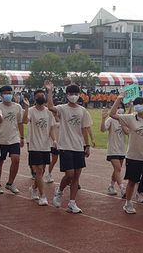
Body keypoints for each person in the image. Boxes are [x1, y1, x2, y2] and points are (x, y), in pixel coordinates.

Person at [110, 94, 143, 218]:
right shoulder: (130, 118)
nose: (139, 106)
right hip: (133, 156)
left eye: (141, 104)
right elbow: (112, 114)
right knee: (132, 181)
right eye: (136, 104)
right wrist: (118, 99)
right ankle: (128, 203)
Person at [45, 81, 90, 213]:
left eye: (76, 94)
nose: (74, 96)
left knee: (76, 175)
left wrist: (87, 145)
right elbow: (51, 108)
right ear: (67, 95)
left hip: (78, 146)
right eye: (71, 94)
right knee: (69, 174)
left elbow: (84, 129)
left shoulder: (83, 111)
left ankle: (72, 203)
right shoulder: (62, 108)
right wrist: (50, 91)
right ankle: (59, 191)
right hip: (65, 145)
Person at [22, 89, 56, 206]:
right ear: (34, 98)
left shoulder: (49, 112)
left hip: (46, 145)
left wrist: (54, 140)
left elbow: (51, 128)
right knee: (39, 170)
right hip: (34, 144)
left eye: (42, 95)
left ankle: (34, 188)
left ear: (45, 97)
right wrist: (26, 107)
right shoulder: (31, 110)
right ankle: (43, 195)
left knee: (42, 171)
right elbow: (25, 121)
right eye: (38, 96)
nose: (41, 97)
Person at [0, 86, 25, 194]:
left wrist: (22, 137)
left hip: (14, 138)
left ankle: (10, 183)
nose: (8, 95)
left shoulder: (17, 107)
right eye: (5, 93)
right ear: (1, 95)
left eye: (9, 92)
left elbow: (20, 122)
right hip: (0, 139)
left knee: (16, 159)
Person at [101, 105, 129, 198]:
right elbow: (102, 129)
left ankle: (111, 185)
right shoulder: (111, 120)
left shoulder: (124, 120)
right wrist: (103, 119)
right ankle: (122, 189)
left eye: (121, 107)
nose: (119, 109)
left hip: (122, 149)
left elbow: (128, 132)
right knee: (118, 168)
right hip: (113, 149)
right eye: (118, 107)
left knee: (118, 168)